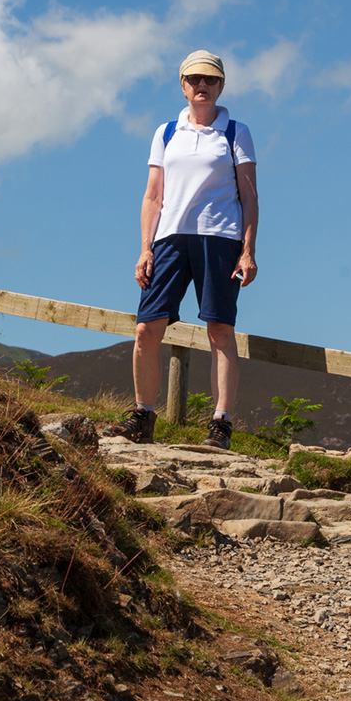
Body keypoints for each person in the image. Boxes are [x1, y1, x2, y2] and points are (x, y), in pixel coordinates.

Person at [104, 49, 258, 449]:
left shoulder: (235, 132)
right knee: (146, 327)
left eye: (210, 79)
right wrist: (144, 248)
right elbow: (153, 195)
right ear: (183, 85)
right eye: (194, 79)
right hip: (169, 239)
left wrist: (248, 250)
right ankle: (142, 415)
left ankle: (220, 425)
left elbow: (249, 194)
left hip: (220, 238)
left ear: (221, 85)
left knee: (220, 330)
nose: (202, 85)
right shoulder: (166, 132)